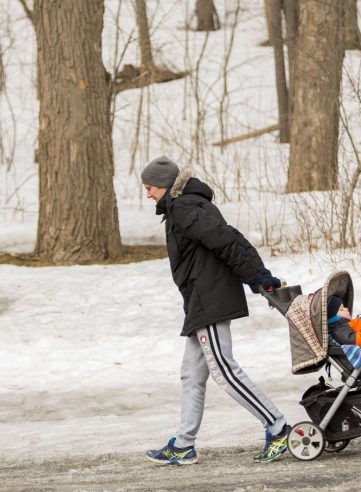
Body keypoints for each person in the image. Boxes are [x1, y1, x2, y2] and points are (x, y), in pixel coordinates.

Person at [141, 156, 290, 465]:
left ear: (166, 186)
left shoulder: (184, 209)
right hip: (200, 299)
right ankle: (184, 444)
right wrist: (258, 273)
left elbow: (227, 241)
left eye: (151, 188)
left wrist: (257, 277)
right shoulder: (185, 207)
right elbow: (228, 237)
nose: (148, 194)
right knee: (191, 374)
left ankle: (278, 428)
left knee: (224, 370)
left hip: (210, 298)